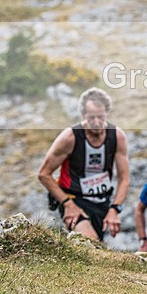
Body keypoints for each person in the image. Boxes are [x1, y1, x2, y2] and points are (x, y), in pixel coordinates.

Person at [37, 87, 130, 241]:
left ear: (107, 113)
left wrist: (115, 208)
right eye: (91, 118)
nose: (96, 122)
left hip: (102, 201)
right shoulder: (69, 137)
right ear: (83, 115)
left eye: (101, 117)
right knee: (91, 243)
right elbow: (43, 174)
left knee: (96, 244)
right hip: (74, 199)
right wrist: (67, 204)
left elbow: (124, 179)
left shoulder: (117, 136)